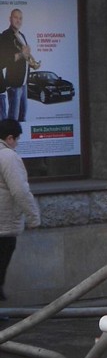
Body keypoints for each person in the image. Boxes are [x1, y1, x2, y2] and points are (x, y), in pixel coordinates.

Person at [0, 119, 40, 301]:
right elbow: (20, 191)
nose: (16, 144)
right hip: (3, 226)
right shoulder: (8, 157)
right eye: (16, 139)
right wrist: (33, 218)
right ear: (9, 138)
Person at [0, 8, 38, 122]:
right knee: (13, 119)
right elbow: (4, 60)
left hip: (24, 83)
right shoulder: (5, 36)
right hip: (14, 83)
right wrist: (22, 54)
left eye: (20, 18)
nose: (18, 20)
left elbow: (24, 57)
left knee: (23, 117)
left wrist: (32, 64)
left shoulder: (22, 35)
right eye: (15, 17)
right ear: (10, 19)